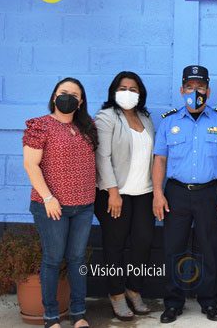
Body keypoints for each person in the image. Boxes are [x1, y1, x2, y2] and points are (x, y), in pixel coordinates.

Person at [152, 65, 217, 324]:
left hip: (210, 193)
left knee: (209, 249)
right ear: (182, 90)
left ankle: (209, 302)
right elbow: (159, 160)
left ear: (208, 91)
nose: (195, 92)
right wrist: (158, 193)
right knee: (173, 248)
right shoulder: (169, 122)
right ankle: (173, 303)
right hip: (176, 193)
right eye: (190, 87)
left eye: (200, 87)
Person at [23, 78, 98, 328]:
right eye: (63, 92)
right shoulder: (40, 126)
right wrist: (48, 198)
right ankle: (51, 317)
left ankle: (79, 314)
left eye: (74, 94)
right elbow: (31, 165)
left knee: (78, 259)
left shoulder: (88, 127)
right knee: (53, 259)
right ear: (54, 96)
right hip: (52, 206)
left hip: (84, 205)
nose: (68, 97)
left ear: (81, 101)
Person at [94, 71, 155, 320]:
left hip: (144, 193)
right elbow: (102, 157)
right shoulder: (106, 117)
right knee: (115, 247)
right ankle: (116, 293)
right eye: (123, 88)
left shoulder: (145, 118)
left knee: (143, 243)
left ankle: (133, 289)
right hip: (115, 195)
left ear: (140, 94)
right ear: (114, 91)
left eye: (133, 89)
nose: (128, 92)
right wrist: (112, 191)